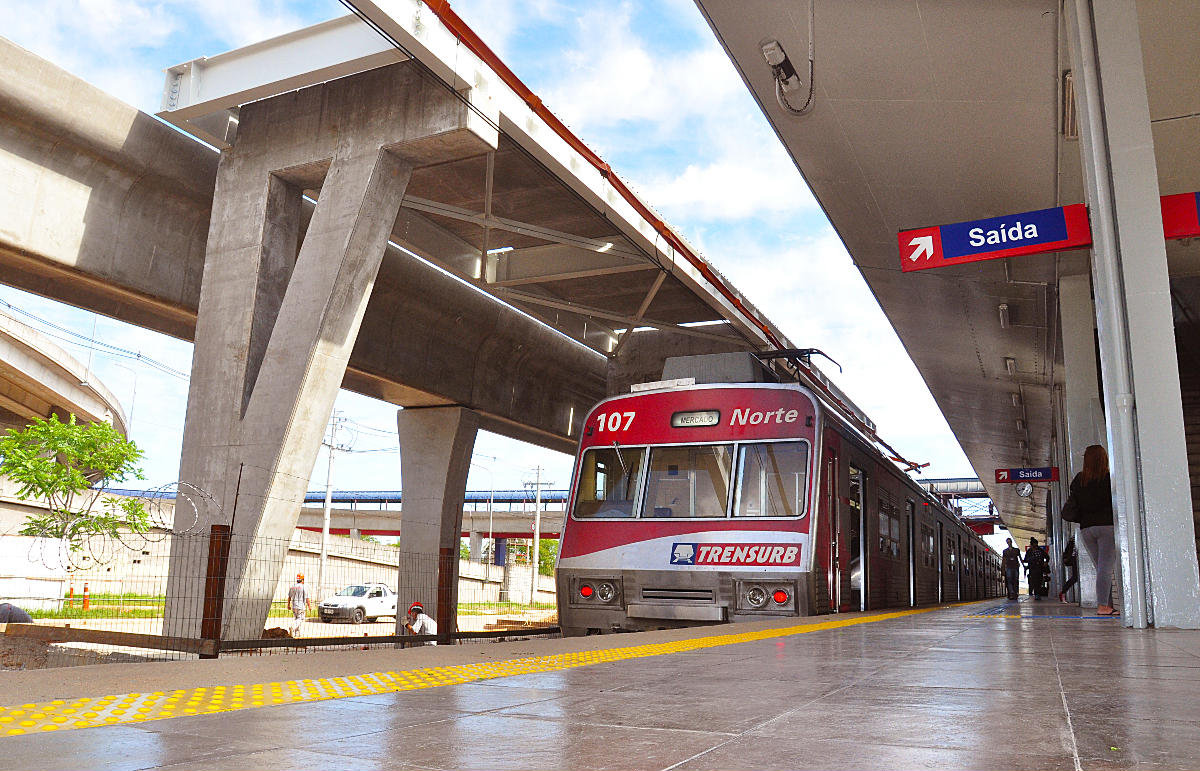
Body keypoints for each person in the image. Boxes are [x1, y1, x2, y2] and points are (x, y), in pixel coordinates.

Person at [1066, 444, 1118, 615]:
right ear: (1104, 459)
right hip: (1106, 527)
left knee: (1101, 567)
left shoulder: (1079, 480)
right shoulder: (1109, 479)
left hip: (1087, 530)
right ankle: (1103, 605)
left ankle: (1108, 605)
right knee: (1105, 567)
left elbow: (1073, 505)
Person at [1059, 537, 1078, 603]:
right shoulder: (1074, 538)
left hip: (1076, 560)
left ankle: (1063, 592)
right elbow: (1068, 551)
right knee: (1075, 578)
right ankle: (1063, 592)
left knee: (1075, 578)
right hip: (1075, 560)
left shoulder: (1073, 539)